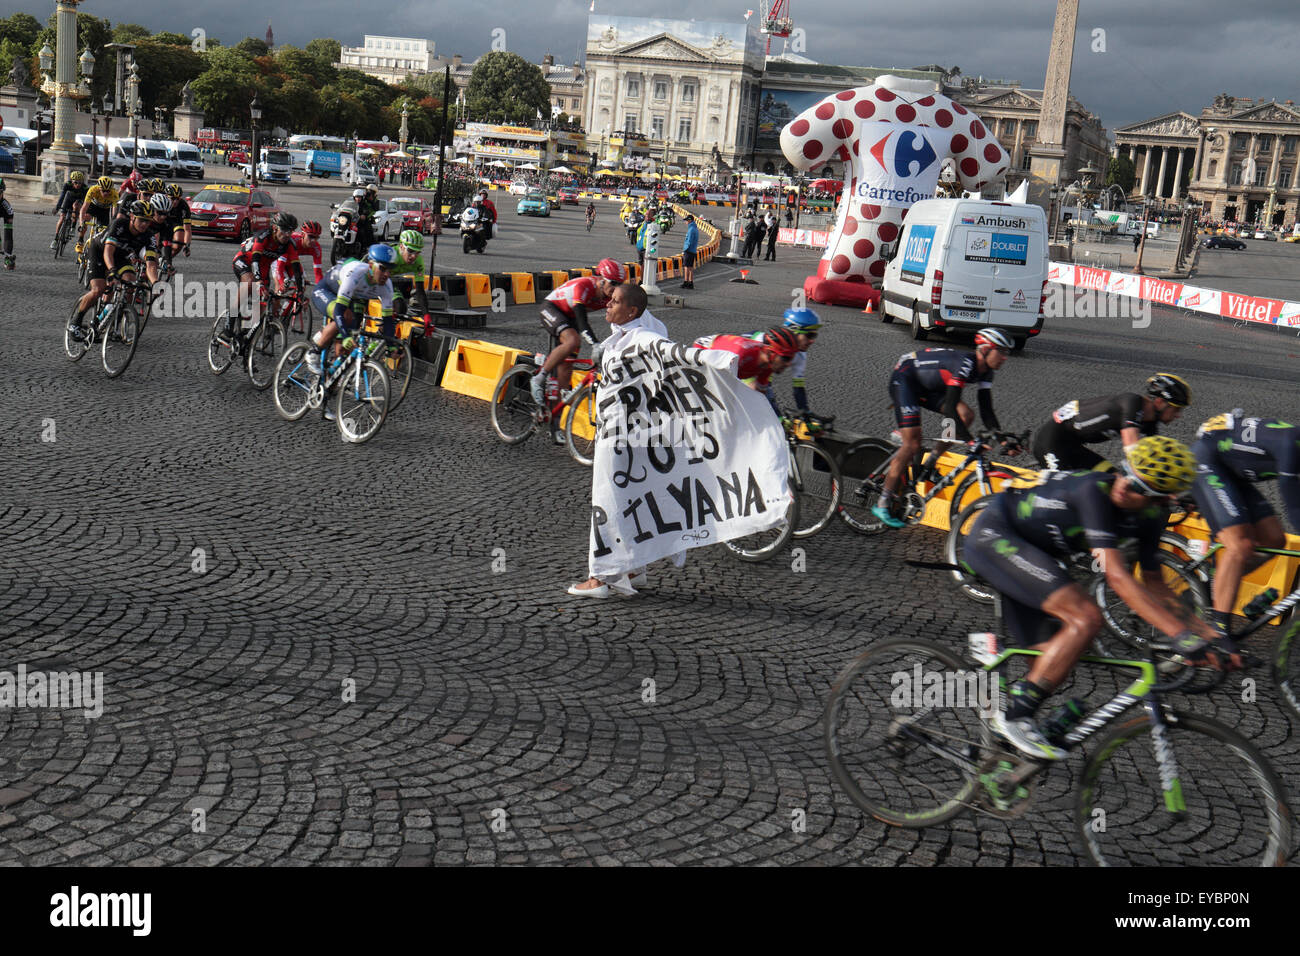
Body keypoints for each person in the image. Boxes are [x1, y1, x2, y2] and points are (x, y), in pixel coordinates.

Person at [962, 436, 1211, 759]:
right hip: (997, 535)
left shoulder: (1152, 517)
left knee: (1048, 667)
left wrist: (1210, 635)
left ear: (1161, 501)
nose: (1124, 485)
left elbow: (1156, 584)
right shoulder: (1094, 491)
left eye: (1140, 487)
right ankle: (1013, 719)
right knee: (1086, 618)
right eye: (1125, 472)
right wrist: (1180, 635)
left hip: (1037, 555)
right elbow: (1118, 577)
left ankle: (987, 750)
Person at [567, 281, 673, 600]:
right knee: (631, 498)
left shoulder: (643, 337)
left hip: (622, 434)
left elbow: (671, 354)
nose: (607, 305)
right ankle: (633, 568)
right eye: (609, 300)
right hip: (628, 430)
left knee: (608, 499)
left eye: (614, 302)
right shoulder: (625, 334)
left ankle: (601, 577)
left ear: (632, 311)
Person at [877, 329, 1015, 528]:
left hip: (929, 385)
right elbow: (950, 407)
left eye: (1007, 353)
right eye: (1001, 351)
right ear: (985, 349)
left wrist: (1002, 439)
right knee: (912, 444)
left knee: (966, 415)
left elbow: (986, 410)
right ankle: (883, 502)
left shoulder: (987, 371)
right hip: (906, 380)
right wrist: (969, 440)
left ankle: (931, 463)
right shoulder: (965, 365)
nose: (1004, 357)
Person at [1191, 412, 1300, 658]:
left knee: (1275, 540)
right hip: (1208, 462)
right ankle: (1219, 631)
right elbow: (1293, 504)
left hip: (1231, 471)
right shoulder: (1290, 445)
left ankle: (1220, 583)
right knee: (1240, 546)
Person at [1031, 373, 1192, 472]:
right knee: (1066, 493)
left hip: (1073, 447)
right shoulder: (1132, 402)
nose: (1178, 416)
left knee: (1112, 479)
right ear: (1159, 402)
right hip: (1050, 441)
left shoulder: (1150, 426)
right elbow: (1132, 449)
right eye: (1176, 409)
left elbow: (1151, 460)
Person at [307, 244, 397, 404]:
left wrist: (392, 346)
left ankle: (326, 390)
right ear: (370, 265)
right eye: (382, 269)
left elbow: (389, 321)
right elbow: (339, 311)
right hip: (327, 290)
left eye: (390, 270)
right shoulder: (355, 273)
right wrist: (346, 335)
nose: (386, 274)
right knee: (346, 317)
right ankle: (315, 350)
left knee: (346, 353)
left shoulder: (387, 286)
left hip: (353, 297)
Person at [531, 258, 626, 403]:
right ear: (601, 280)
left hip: (570, 316)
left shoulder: (610, 297)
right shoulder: (584, 286)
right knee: (572, 340)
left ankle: (555, 414)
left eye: (619, 284)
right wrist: (594, 344)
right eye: (613, 283)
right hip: (552, 309)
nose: (615, 288)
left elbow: (623, 320)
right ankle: (538, 378)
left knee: (567, 367)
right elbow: (582, 320)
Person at [67, 199, 163, 340]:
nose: (144, 224)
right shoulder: (119, 225)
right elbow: (108, 252)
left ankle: (115, 326)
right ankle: (75, 322)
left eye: (148, 221)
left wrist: (155, 283)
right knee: (98, 289)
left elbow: (151, 264)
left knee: (131, 282)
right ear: (132, 217)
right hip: (100, 252)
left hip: (121, 257)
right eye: (142, 220)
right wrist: (111, 271)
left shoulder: (149, 236)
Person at [226, 211, 300, 338]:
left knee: (265, 300)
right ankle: (229, 320)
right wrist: (259, 282)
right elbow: (255, 261)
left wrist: (300, 287)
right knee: (250, 284)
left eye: (291, 231)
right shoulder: (264, 237)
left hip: (263, 267)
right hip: (245, 261)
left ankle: (247, 332)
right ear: (275, 228)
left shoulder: (289, 244)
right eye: (284, 230)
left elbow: (296, 268)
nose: (287, 234)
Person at [691, 327, 799, 399]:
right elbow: (722, 388)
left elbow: (760, 396)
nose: (789, 364)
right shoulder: (742, 356)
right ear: (771, 353)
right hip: (704, 350)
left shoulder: (768, 365)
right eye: (786, 358)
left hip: (727, 355)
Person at [387, 229, 433, 335]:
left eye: (417, 252)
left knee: (400, 308)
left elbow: (420, 291)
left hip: (386, 281)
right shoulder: (391, 255)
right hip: (372, 277)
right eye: (411, 251)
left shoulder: (418, 262)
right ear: (401, 247)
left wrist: (426, 316)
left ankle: (383, 337)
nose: (413, 256)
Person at [160, 183, 193, 271]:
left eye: (178, 198)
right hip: (160, 223)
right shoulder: (161, 201)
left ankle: (166, 261)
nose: (175, 201)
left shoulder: (183, 206)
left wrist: (187, 245)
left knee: (180, 241)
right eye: (173, 198)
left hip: (175, 224)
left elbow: (187, 229)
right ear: (166, 196)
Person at [53, 171, 87, 250]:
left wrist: (80, 206)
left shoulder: (85, 188)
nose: (78, 185)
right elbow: (62, 196)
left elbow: (85, 201)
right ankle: (56, 238)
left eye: (80, 183)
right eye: (76, 182)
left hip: (78, 200)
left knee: (76, 206)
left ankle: (73, 227)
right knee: (62, 218)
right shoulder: (67, 185)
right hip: (68, 199)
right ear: (72, 181)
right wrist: (57, 207)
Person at [681, 214, 699, 289]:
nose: (685, 222)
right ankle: (691, 282)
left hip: (689, 250)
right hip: (693, 250)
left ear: (690, 220)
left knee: (686, 267)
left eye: (686, 220)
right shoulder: (695, 228)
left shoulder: (691, 229)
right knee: (690, 267)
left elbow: (689, 241)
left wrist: (685, 249)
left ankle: (686, 282)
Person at [0, 178, 13, 270]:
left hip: (4, 212)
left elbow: (8, 236)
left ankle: (7, 257)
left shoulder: (7, 207)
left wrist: (7, 253)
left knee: (8, 235)